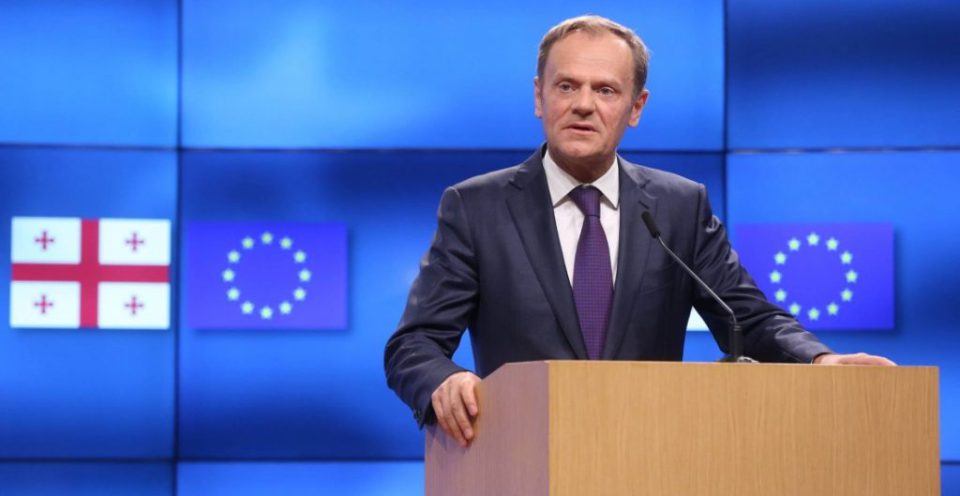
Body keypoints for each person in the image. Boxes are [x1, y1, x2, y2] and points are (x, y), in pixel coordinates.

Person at [384, 15, 894, 449]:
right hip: (522, 457)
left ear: (636, 107)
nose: (584, 104)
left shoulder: (678, 206)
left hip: (648, 456)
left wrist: (819, 359)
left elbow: (748, 318)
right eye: (567, 86)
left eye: (605, 90)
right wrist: (444, 379)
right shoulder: (477, 207)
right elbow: (414, 343)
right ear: (539, 96)